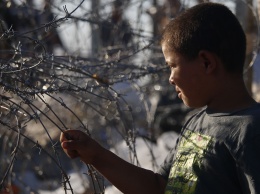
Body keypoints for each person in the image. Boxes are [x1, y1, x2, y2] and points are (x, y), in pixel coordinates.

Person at [60, 2, 260, 194]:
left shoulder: (250, 132)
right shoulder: (197, 123)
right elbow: (159, 187)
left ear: (206, 63)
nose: (170, 79)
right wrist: (95, 154)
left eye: (173, 66)